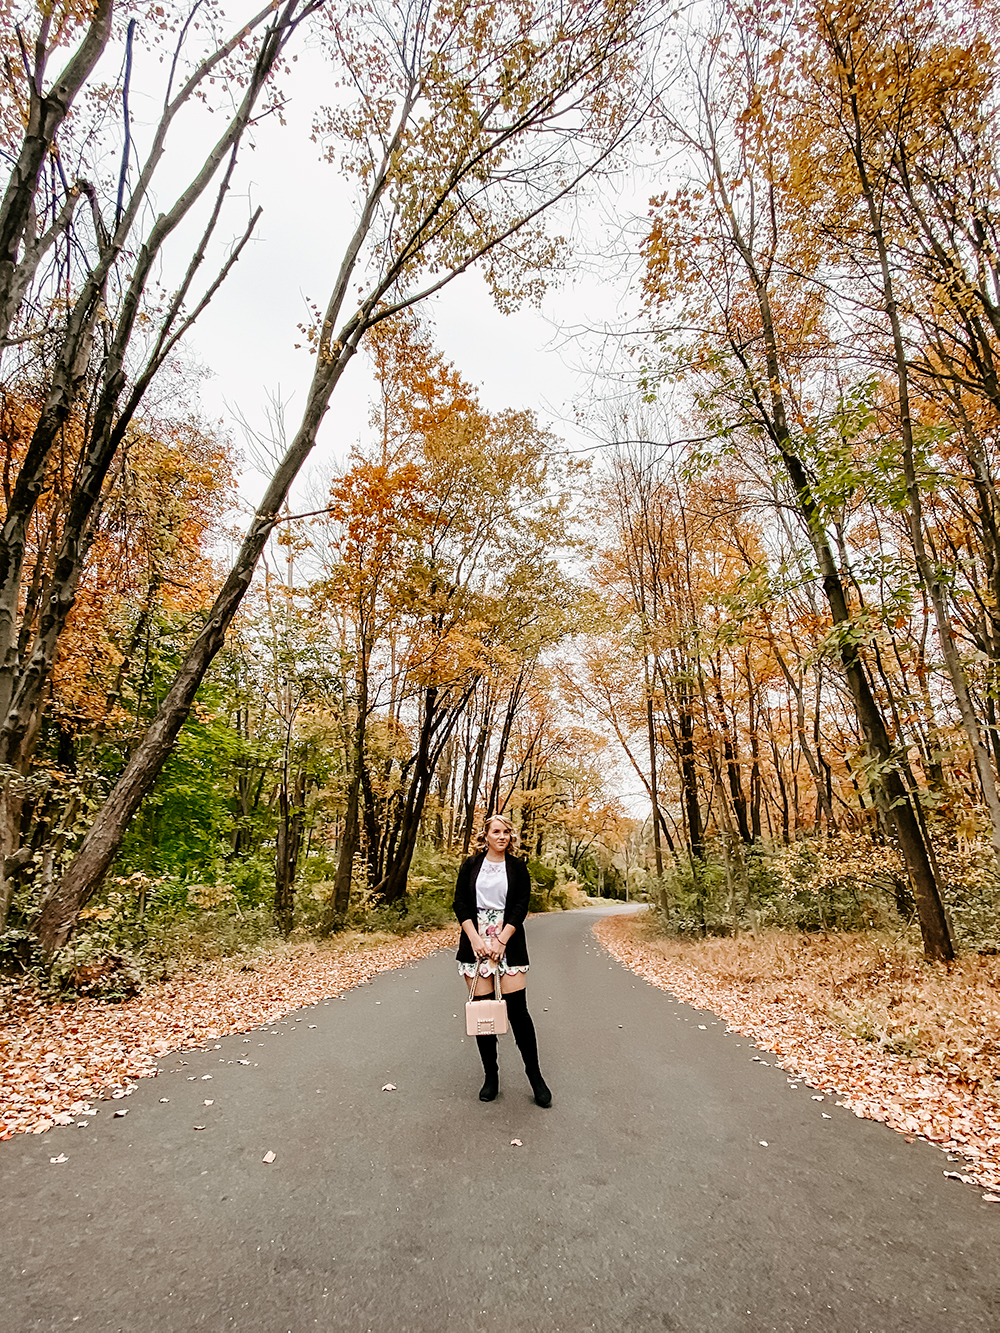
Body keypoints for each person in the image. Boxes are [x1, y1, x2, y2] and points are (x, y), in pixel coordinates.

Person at [454, 814, 551, 1107]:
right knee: (483, 1012)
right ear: (486, 835)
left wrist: (501, 940)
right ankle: (491, 1077)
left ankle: (535, 1078)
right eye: (496, 831)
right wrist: (475, 939)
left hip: (509, 940)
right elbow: (460, 903)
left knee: (518, 1012)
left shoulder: (517, 867)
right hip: (475, 940)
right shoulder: (471, 865)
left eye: (506, 832)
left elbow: (521, 905)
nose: (502, 836)